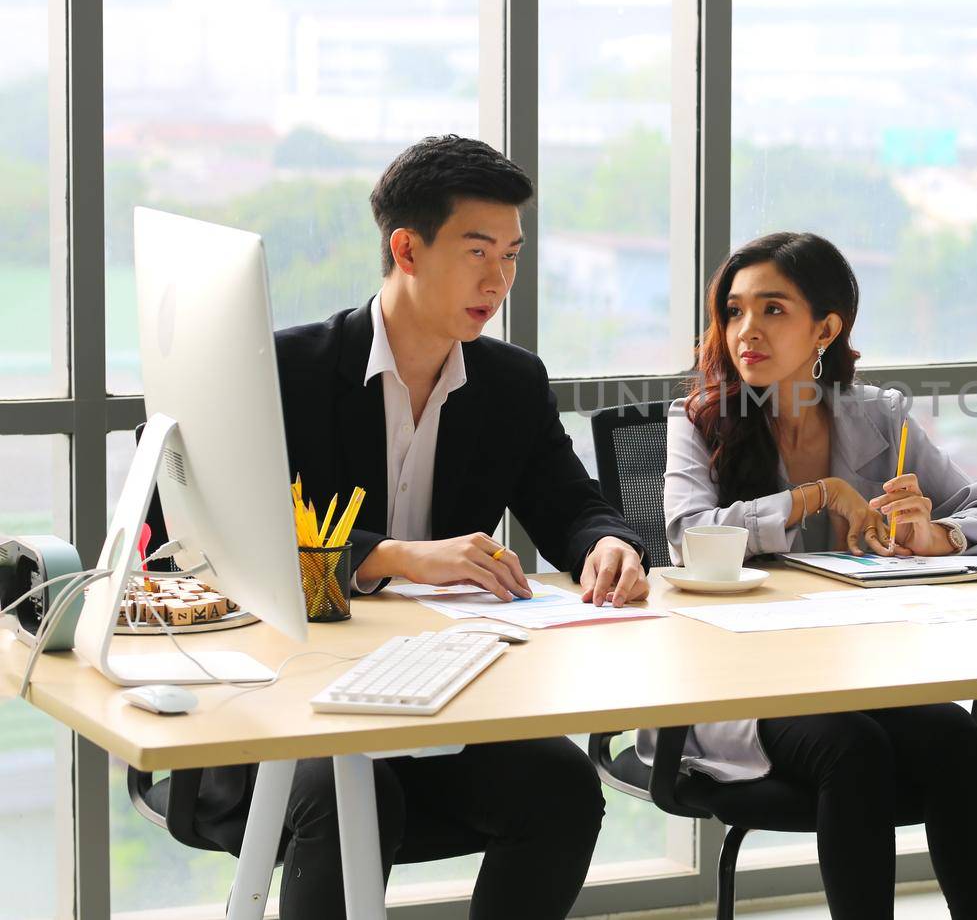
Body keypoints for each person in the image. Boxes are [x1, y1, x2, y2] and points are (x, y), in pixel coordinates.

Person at [180, 135, 650, 920]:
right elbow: (202, 535)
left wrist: (608, 543)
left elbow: (573, 505)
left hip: (436, 706)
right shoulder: (286, 373)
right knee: (354, 799)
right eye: (476, 252)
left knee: (561, 785)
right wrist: (393, 557)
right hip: (283, 714)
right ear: (406, 247)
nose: (497, 279)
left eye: (511, 255)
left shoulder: (511, 383)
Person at [657, 231, 977, 920]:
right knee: (853, 751)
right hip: (739, 683)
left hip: (857, 678)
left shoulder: (878, 417)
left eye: (772, 310)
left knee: (954, 740)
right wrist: (813, 495)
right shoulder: (699, 420)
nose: (746, 331)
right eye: (733, 311)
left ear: (825, 327)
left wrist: (929, 534)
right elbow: (687, 539)